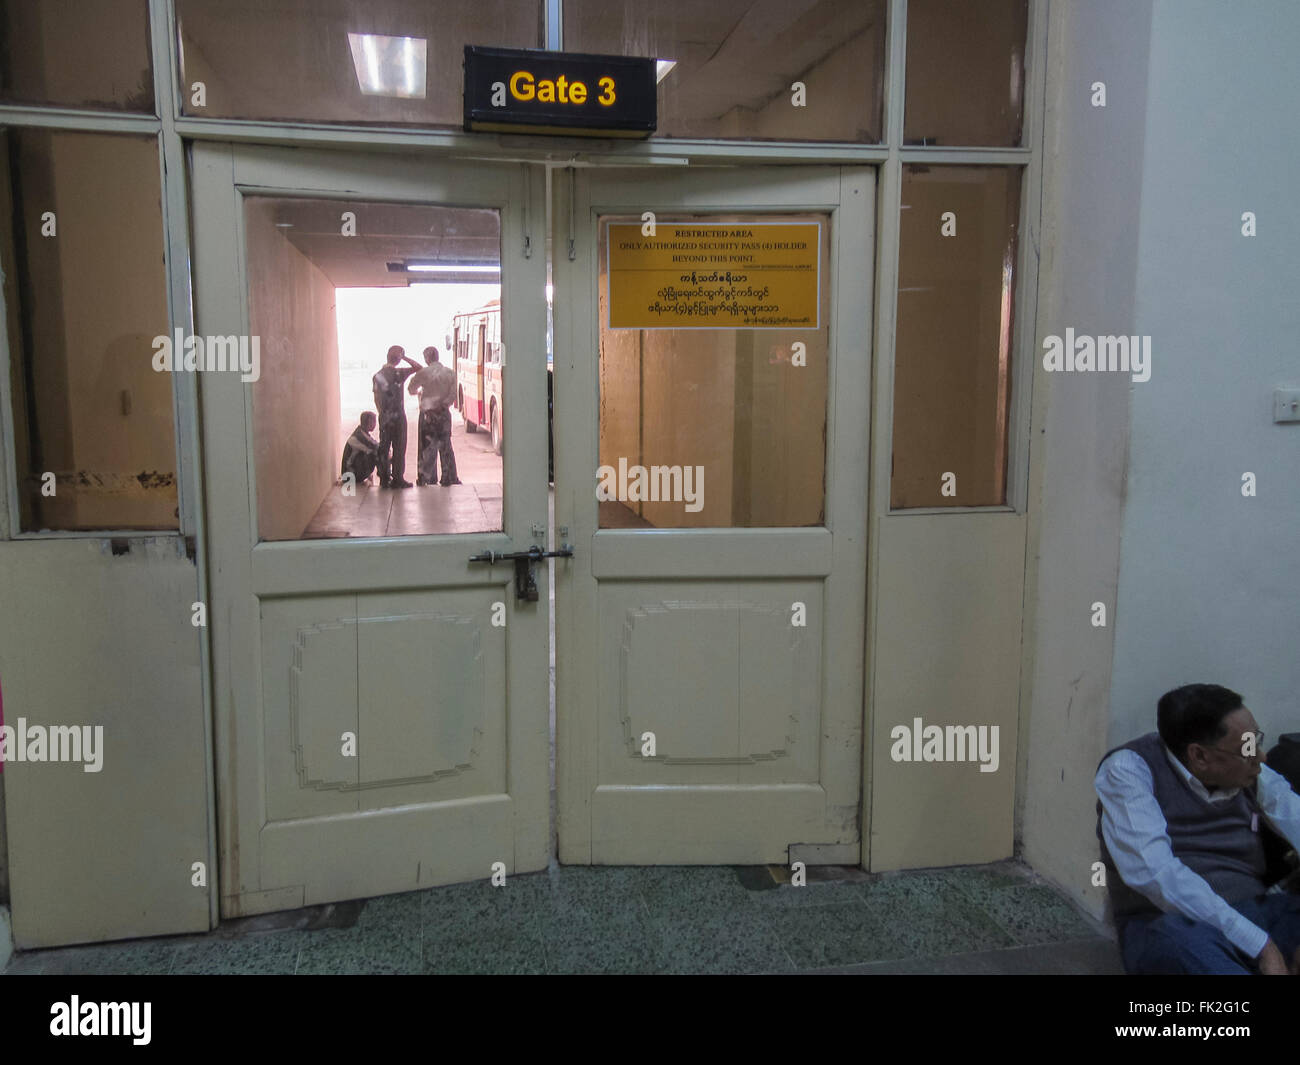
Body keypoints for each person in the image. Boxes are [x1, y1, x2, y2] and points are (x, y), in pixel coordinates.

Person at [1095, 683, 1300, 975]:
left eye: (1256, 740)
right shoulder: (1128, 770)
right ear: (1199, 756)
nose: (1262, 757)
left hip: (1259, 909)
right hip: (1173, 923)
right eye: (1247, 748)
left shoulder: (1249, 769)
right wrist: (1261, 945)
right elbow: (1157, 875)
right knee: (1180, 946)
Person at [406, 345, 462, 487]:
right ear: (437, 356)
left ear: (427, 358)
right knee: (445, 446)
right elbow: (453, 394)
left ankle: (428, 478)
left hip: (427, 415)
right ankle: (449, 477)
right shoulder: (450, 373)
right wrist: (443, 405)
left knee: (426, 447)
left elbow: (411, 389)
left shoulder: (423, 373)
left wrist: (421, 393)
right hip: (443, 414)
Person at [372, 345, 420, 488]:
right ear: (398, 360)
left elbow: (376, 398)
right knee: (399, 447)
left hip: (385, 416)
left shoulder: (377, 375)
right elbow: (419, 368)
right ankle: (398, 478)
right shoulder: (399, 373)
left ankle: (384, 478)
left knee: (384, 446)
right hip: (398, 416)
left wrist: (382, 413)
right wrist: (404, 357)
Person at [340, 411, 379, 486]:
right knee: (376, 454)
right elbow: (376, 448)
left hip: (351, 473)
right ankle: (385, 478)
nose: (374, 424)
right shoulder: (359, 437)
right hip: (349, 476)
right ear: (367, 422)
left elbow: (375, 444)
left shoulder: (362, 433)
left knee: (375, 452)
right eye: (373, 421)